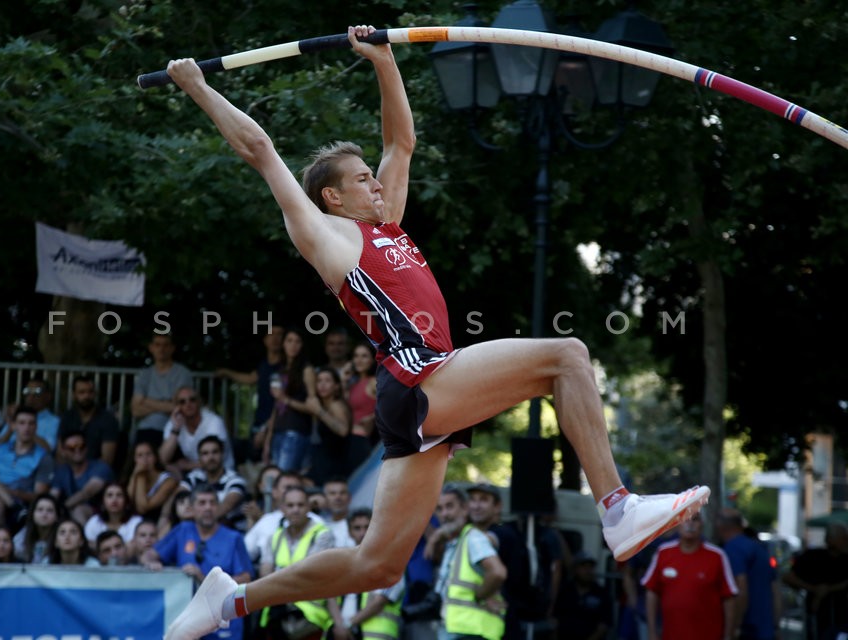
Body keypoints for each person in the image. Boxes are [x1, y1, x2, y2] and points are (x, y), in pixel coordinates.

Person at [160, 25, 709, 640]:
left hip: (418, 396)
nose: (376, 180)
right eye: (362, 177)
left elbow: (403, 139)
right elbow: (260, 149)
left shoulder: (386, 225)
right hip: (419, 377)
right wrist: (198, 87)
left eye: (373, 175)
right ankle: (616, 509)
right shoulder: (328, 236)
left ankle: (229, 600)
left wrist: (383, 61)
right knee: (568, 357)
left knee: (377, 565)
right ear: (333, 197)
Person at [142, 486, 253, 640]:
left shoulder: (233, 538)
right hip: (186, 616)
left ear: (218, 507)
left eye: (212, 503)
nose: (208, 507)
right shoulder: (182, 530)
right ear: (192, 508)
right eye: (202, 503)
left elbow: (246, 579)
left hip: (224, 619)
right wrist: (152, 563)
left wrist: (204, 578)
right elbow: (148, 555)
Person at [257, 484, 336, 640]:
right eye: (290, 505)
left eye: (300, 505)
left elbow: (310, 573)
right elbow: (264, 573)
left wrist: (277, 577)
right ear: (282, 508)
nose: (295, 509)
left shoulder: (322, 534)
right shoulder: (275, 537)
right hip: (277, 616)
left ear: (308, 507)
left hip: (310, 620)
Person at [642, 512, 737, 640]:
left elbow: (729, 597)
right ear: (677, 524)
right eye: (685, 520)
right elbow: (651, 591)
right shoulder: (663, 553)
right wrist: (652, 632)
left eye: (695, 520)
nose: (690, 524)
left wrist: (728, 635)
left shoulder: (717, 556)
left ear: (702, 524)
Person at [428, 485, 507, 640]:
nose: (445, 514)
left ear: (465, 509)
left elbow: (498, 572)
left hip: (472, 631)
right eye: (439, 509)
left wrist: (480, 596)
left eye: (450, 506)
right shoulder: (457, 542)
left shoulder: (473, 537)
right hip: (458, 629)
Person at [466, 483, 537, 640]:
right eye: (472, 500)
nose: (476, 506)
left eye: (483, 500)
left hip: (504, 622)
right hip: (485, 624)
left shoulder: (503, 533)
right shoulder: (474, 534)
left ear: (497, 506)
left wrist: (478, 597)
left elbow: (485, 543)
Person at [329, 507, 405, 640]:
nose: (363, 533)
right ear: (349, 532)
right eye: (357, 528)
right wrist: (340, 626)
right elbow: (330, 596)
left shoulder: (390, 561)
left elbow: (379, 602)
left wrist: (347, 625)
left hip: (374, 635)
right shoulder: (342, 561)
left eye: (367, 527)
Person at [0, 405, 54, 529]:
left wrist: (10, 492)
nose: (26, 428)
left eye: (31, 423)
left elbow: (39, 496)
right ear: (13, 425)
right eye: (22, 423)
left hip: (20, 499)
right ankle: (12, 506)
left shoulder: (43, 457)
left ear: (36, 427)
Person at [216, 324, 285, 464]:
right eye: (272, 334)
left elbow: (282, 401)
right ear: (265, 340)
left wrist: (266, 428)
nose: (276, 338)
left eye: (280, 334)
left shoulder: (286, 367)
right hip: (260, 421)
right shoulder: (264, 365)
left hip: (277, 424)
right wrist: (226, 373)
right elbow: (250, 378)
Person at [714, 508, 781, 640]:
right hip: (766, 629)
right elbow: (776, 590)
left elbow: (740, 589)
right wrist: (776, 626)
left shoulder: (732, 549)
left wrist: (735, 627)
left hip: (747, 630)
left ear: (720, 526)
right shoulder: (759, 549)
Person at [782, 521, 848, 640]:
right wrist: (813, 589)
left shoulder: (845, 559)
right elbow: (788, 577)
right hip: (819, 616)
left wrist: (826, 590)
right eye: (843, 538)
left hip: (841, 616)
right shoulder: (813, 556)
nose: (846, 541)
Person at [263, 327, 317, 473]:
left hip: (296, 431)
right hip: (278, 431)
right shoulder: (281, 370)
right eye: (289, 341)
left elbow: (313, 407)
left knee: (285, 479)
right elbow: (276, 405)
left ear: (302, 345)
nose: (293, 345)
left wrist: (285, 399)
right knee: (275, 478)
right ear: (283, 344)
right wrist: (268, 438)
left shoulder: (307, 370)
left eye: (297, 341)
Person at [131, 332, 195, 451]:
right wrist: (166, 404)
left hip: (174, 428)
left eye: (166, 345)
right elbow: (135, 411)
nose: (161, 349)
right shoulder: (145, 375)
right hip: (146, 430)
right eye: (157, 345)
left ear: (172, 349)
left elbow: (180, 407)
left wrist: (145, 401)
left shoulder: (182, 373)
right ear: (151, 348)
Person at [179, 435, 249, 532]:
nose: (211, 457)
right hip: (198, 529)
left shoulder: (235, 480)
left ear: (222, 455)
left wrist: (192, 515)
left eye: (215, 452)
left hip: (232, 532)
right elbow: (179, 499)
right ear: (199, 459)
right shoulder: (194, 477)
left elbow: (225, 507)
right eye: (205, 453)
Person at [160, 386, 234, 476]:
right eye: (182, 402)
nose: (188, 404)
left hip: (221, 473)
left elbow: (215, 459)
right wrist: (176, 429)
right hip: (196, 474)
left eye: (192, 400)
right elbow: (163, 458)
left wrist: (187, 465)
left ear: (199, 402)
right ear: (176, 407)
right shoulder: (175, 422)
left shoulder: (214, 422)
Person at [50, 429, 114, 525]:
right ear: (63, 451)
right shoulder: (61, 471)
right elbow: (53, 496)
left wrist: (62, 508)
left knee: (78, 511)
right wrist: (49, 507)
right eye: (72, 448)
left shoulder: (101, 467)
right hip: (70, 512)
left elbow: (87, 492)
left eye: (81, 446)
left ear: (87, 448)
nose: (77, 450)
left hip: (103, 513)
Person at [57, 375, 121, 468]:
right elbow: (60, 454)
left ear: (95, 394)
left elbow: (107, 459)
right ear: (74, 395)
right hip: (69, 471)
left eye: (90, 392)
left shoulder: (108, 419)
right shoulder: (67, 417)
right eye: (81, 392)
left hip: (97, 473)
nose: (86, 396)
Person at [306, 368, 352, 487]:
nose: (322, 385)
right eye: (319, 381)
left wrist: (319, 411)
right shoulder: (323, 405)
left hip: (335, 464)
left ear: (336, 386)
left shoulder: (336, 405)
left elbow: (343, 431)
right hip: (324, 461)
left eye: (327, 381)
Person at [552, 550, 612, 640]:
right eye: (583, 566)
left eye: (590, 567)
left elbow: (603, 626)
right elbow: (554, 620)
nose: (588, 570)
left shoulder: (602, 594)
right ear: (575, 569)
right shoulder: (564, 592)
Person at [0, 377, 61, 453]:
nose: (31, 397)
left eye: (37, 392)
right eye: (27, 391)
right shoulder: (17, 417)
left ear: (48, 396)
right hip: (5, 459)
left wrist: (28, 432)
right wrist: (10, 429)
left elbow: (49, 449)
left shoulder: (54, 421)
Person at [126, 439, 179, 522]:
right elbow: (127, 501)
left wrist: (140, 476)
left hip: (155, 521)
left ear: (155, 457)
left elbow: (143, 508)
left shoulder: (169, 480)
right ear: (134, 460)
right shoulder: (131, 476)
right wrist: (134, 476)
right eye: (140, 456)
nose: (145, 459)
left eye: (148, 454)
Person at [345, 341, 378, 471]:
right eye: (356, 356)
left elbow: (391, 405)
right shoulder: (353, 383)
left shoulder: (373, 381)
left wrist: (372, 417)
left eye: (364, 356)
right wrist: (343, 379)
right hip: (351, 440)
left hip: (366, 439)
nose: (359, 360)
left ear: (372, 359)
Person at [84, 481, 143, 550]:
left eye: (119, 495)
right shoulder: (94, 521)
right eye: (109, 495)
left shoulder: (136, 522)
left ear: (126, 501)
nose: (114, 499)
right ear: (102, 501)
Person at [14, 492, 65, 563]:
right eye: (40, 510)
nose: (44, 514)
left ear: (57, 517)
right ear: (33, 514)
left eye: (49, 510)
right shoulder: (22, 536)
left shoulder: (63, 535)